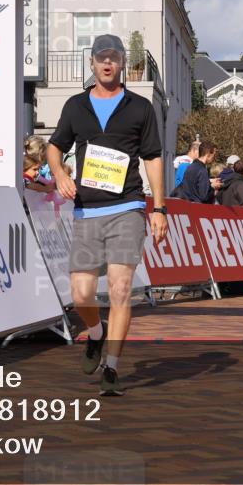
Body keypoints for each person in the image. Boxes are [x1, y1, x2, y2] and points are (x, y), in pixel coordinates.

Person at [47, 33, 166, 396]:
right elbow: (55, 147)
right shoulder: (75, 106)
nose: (108, 64)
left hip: (128, 208)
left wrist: (158, 207)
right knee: (81, 293)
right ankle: (95, 334)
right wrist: (61, 174)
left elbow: (153, 158)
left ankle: (111, 368)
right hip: (87, 210)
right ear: (93, 63)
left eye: (113, 58)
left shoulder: (139, 107)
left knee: (119, 289)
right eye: (102, 58)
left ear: (121, 64)